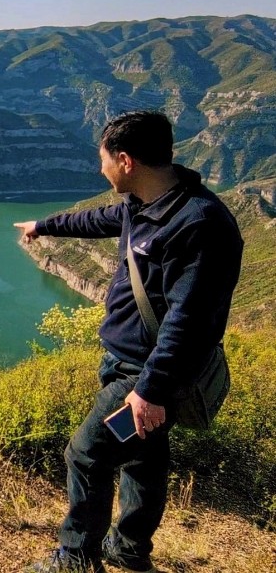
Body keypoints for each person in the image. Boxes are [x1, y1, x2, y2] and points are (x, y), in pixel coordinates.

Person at [15, 111, 243, 573]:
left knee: (85, 453)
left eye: (102, 161)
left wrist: (150, 390)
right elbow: (99, 219)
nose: (100, 170)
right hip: (127, 364)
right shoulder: (144, 203)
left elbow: (190, 320)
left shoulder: (199, 223)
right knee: (143, 457)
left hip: (143, 373)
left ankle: (77, 557)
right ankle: (129, 550)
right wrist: (45, 225)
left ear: (125, 160)